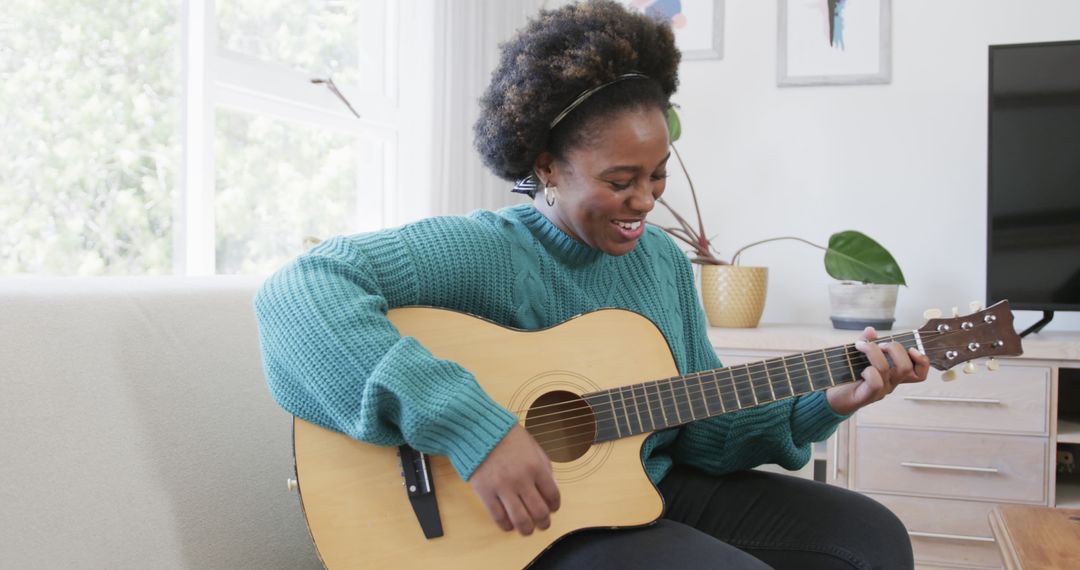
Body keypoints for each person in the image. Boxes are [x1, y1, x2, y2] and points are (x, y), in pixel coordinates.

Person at [254, 1, 929, 568]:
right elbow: (299, 291)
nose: (646, 202)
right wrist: (474, 428)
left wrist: (826, 401)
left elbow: (704, 431)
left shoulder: (662, 262)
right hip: (523, 520)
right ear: (546, 167)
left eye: (657, 174)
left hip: (645, 485)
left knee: (872, 541)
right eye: (619, 181)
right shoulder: (488, 250)